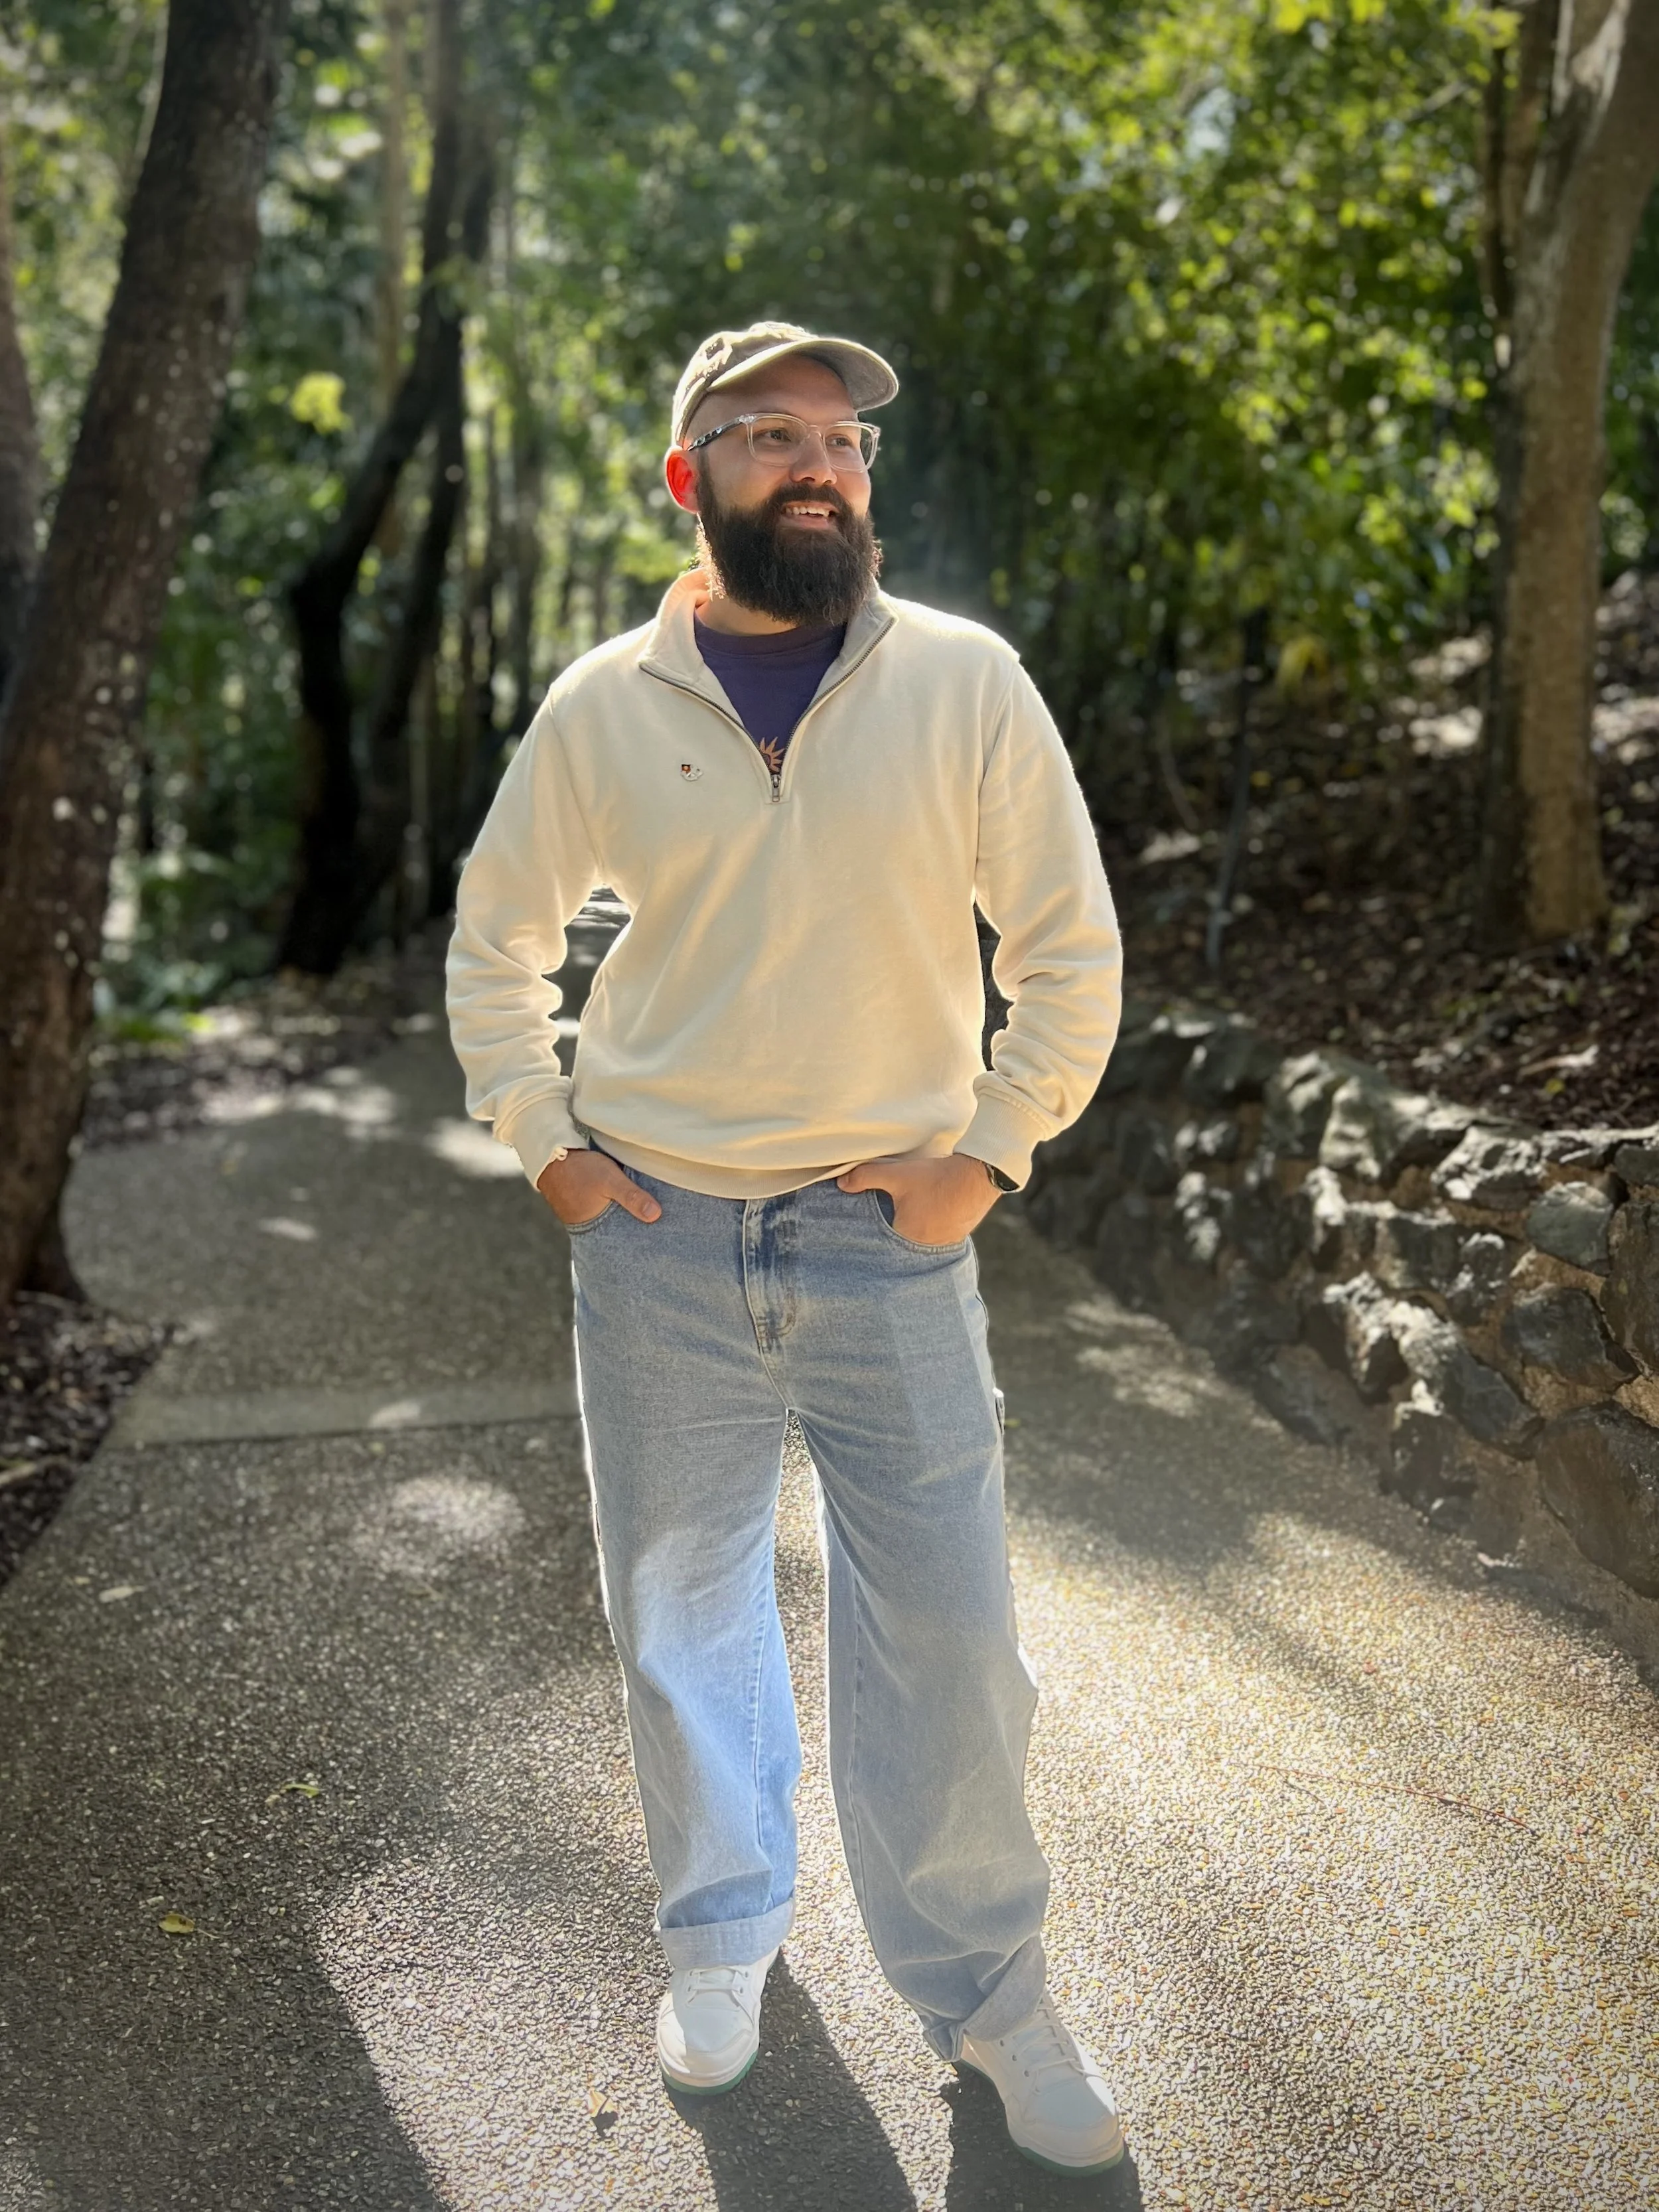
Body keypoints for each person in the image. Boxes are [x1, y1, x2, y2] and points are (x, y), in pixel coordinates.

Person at [446, 321, 1125, 2176]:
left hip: (887, 1239)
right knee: (682, 1615)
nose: (817, 462)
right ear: (691, 478)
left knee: (952, 1636)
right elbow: (494, 942)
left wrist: (982, 1157)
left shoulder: (964, 681)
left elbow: (1066, 949)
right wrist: (551, 1150)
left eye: (840, 437)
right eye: (766, 434)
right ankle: (721, 1934)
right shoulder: (602, 702)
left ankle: (988, 1991)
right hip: (652, 1237)